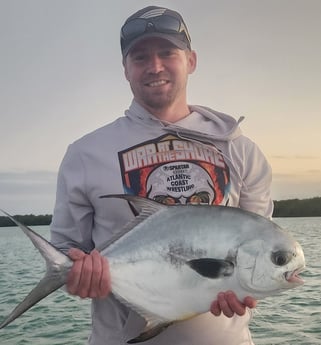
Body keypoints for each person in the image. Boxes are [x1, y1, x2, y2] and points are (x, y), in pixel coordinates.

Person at [50, 5, 273, 345]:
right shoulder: (84, 153)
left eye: (167, 52)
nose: (154, 66)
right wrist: (77, 273)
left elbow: (257, 249)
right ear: (125, 69)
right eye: (139, 57)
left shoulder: (241, 150)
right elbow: (66, 253)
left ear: (191, 60)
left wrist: (244, 292)